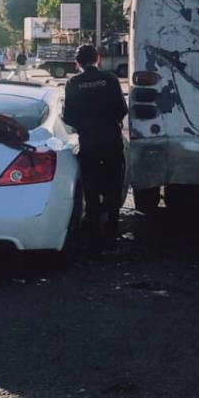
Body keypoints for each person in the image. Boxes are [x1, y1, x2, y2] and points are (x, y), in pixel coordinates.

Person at [62, 44, 128, 253]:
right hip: (111, 141)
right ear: (98, 58)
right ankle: (111, 236)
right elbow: (122, 109)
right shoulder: (110, 79)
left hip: (89, 143)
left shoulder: (73, 83)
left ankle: (94, 239)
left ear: (77, 62)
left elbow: (68, 117)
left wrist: (85, 125)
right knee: (112, 189)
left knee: (91, 192)